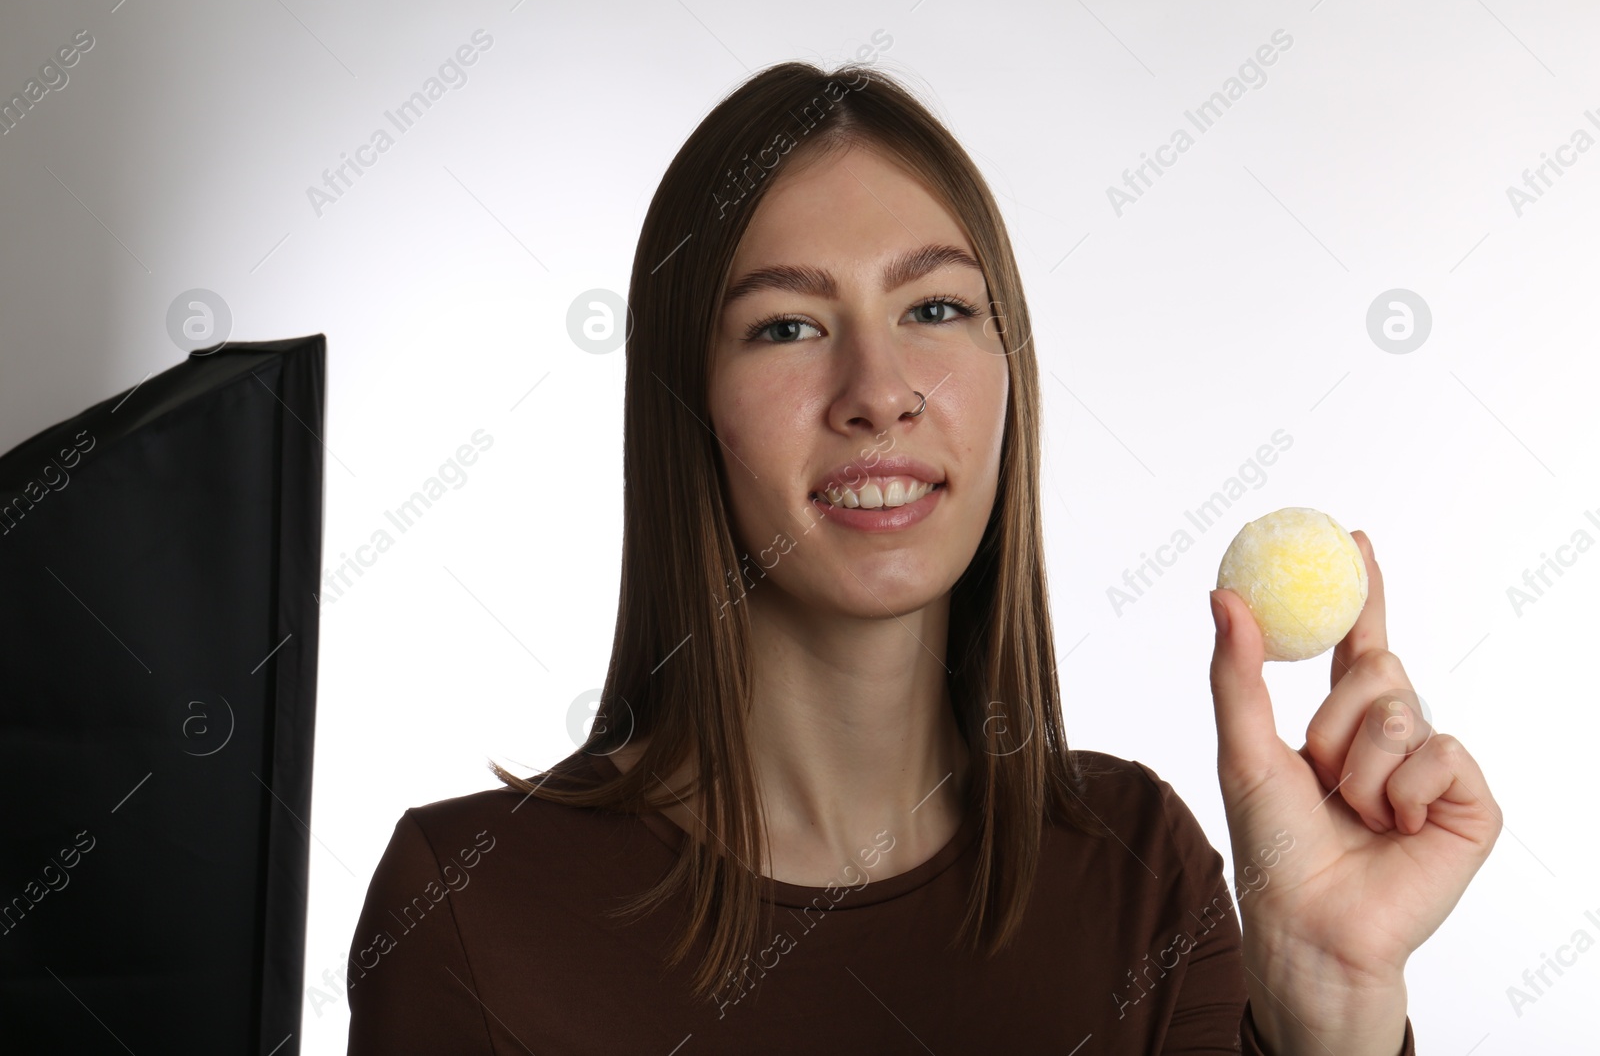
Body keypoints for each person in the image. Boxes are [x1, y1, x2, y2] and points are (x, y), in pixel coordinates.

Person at [345, 61, 1499, 1054]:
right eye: (787, 326)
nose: (878, 391)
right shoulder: (464, 905)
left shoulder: (1141, 874)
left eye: (936, 309)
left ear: (1010, 375)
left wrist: (1332, 1003)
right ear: (684, 403)